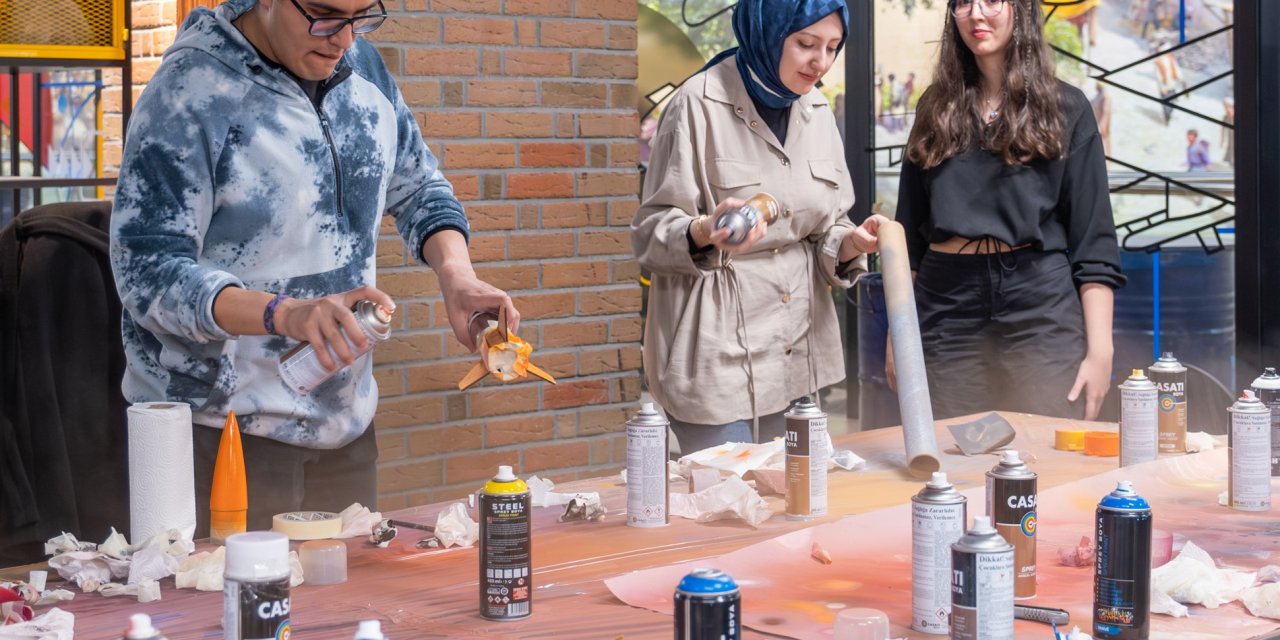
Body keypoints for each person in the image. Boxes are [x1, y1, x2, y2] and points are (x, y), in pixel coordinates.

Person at [110, 0, 518, 535]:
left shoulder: (361, 65)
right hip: (221, 434)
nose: (343, 39)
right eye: (325, 15)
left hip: (344, 425)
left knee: (350, 613)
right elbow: (148, 269)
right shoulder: (189, 92)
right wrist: (287, 314)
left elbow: (419, 186)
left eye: (361, 16)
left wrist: (457, 276)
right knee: (234, 617)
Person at [632, 0, 887, 454]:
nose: (820, 62)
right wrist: (704, 232)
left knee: (798, 502)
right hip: (715, 357)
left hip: (796, 352)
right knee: (726, 507)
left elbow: (825, 227)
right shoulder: (697, 103)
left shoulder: (817, 109)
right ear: (766, 31)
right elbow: (650, 233)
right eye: (806, 44)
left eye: (832, 47)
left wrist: (850, 242)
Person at [892, 0, 1126, 422]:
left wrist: (1101, 351)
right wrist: (899, 335)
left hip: (1038, 301)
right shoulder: (934, 108)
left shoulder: (1066, 108)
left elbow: (1094, 242)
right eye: (963, 3)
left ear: (1021, 10)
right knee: (951, 460)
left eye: (992, 1)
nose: (977, 14)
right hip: (946, 302)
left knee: (1047, 456)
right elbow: (907, 239)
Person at [1091, 81, 1112, 155]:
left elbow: (1105, 113)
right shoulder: (1098, 95)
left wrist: (1099, 129)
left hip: (1100, 128)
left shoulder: (1105, 97)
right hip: (1094, 125)